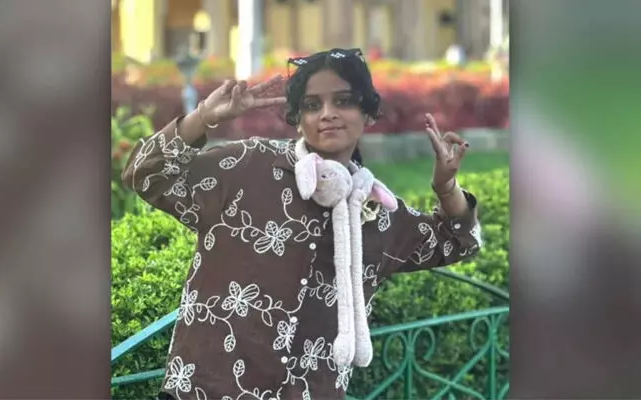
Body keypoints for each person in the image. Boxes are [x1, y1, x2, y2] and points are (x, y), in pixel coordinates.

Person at [122, 48, 481, 400]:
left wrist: (446, 187)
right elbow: (145, 174)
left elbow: (459, 241)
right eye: (312, 105)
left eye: (344, 101)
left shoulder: (380, 212)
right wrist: (203, 117)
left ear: (368, 114)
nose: (328, 114)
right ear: (297, 118)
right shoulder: (247, 166)